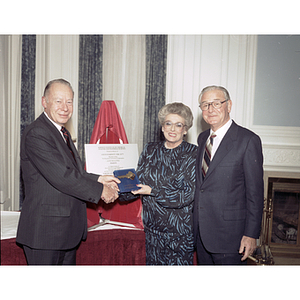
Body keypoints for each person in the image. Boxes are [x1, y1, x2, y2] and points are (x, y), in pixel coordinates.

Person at [16, 78, 120, 265]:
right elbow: (62, 177)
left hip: (64, 231)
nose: (65, 107)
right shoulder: (38, 133)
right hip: (45, 233)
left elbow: (72, 171)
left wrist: (100, 179)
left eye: (69, 101)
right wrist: (100, 190)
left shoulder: (60, 132)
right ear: (44, 102)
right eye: (58, 101)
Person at [193, 85, 264, 265]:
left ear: (229, 105)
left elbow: (255, 194)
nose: (211, 109)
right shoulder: (202, 138)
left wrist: (251, 234)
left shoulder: (248, 140)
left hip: (231, 238)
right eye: (205, 105)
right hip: (201, 234)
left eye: (216, 103)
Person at [120, 102, 197, 265]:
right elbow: (138, 182)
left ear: (185, 129)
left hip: (179, 234)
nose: (172, 129)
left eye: (178, 125)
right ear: (162, 127)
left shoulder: (193, 153)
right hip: (152, 231)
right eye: (168, 124)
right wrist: (118, 187)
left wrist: (152, 191)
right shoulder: (150, 149)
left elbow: (187, 195)